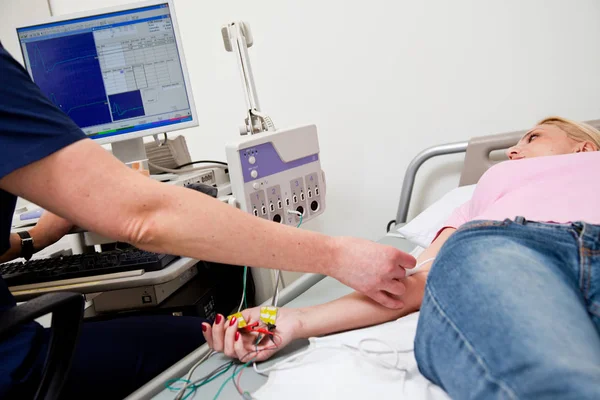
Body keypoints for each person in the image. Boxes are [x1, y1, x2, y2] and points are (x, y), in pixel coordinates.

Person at [0, 42, 417, 399]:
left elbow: (424, 279)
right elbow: (145, 216)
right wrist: (337, 256)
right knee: (201, 344)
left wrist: (32, 240)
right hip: (11, 367)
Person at [204, 116, 600, 399]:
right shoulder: (482, 201)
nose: (513, 150)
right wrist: (293, 320)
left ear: (584, 147)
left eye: (533, 138)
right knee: (550, 368)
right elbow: (413, 285)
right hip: (511, 245)